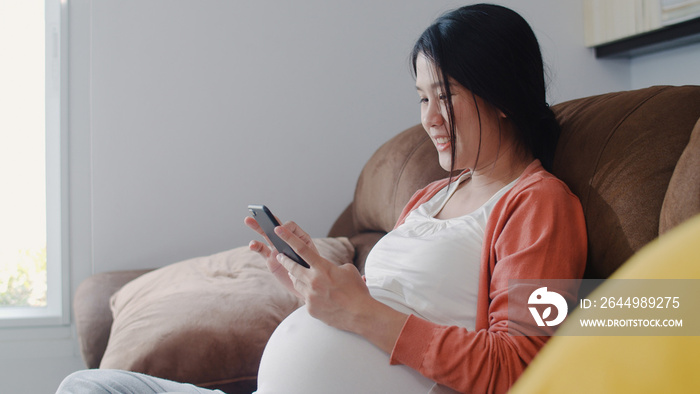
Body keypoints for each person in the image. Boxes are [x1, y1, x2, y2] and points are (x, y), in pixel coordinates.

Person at [56, 4, 586, 394]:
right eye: (422, 98)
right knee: (86, 387)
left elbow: (517, 365)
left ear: (501, 95)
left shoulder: (539, 204)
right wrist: (308, 290)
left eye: (444, 95)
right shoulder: (428, 196)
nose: (427, 118)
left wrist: (361, 314)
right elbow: (364, 316)